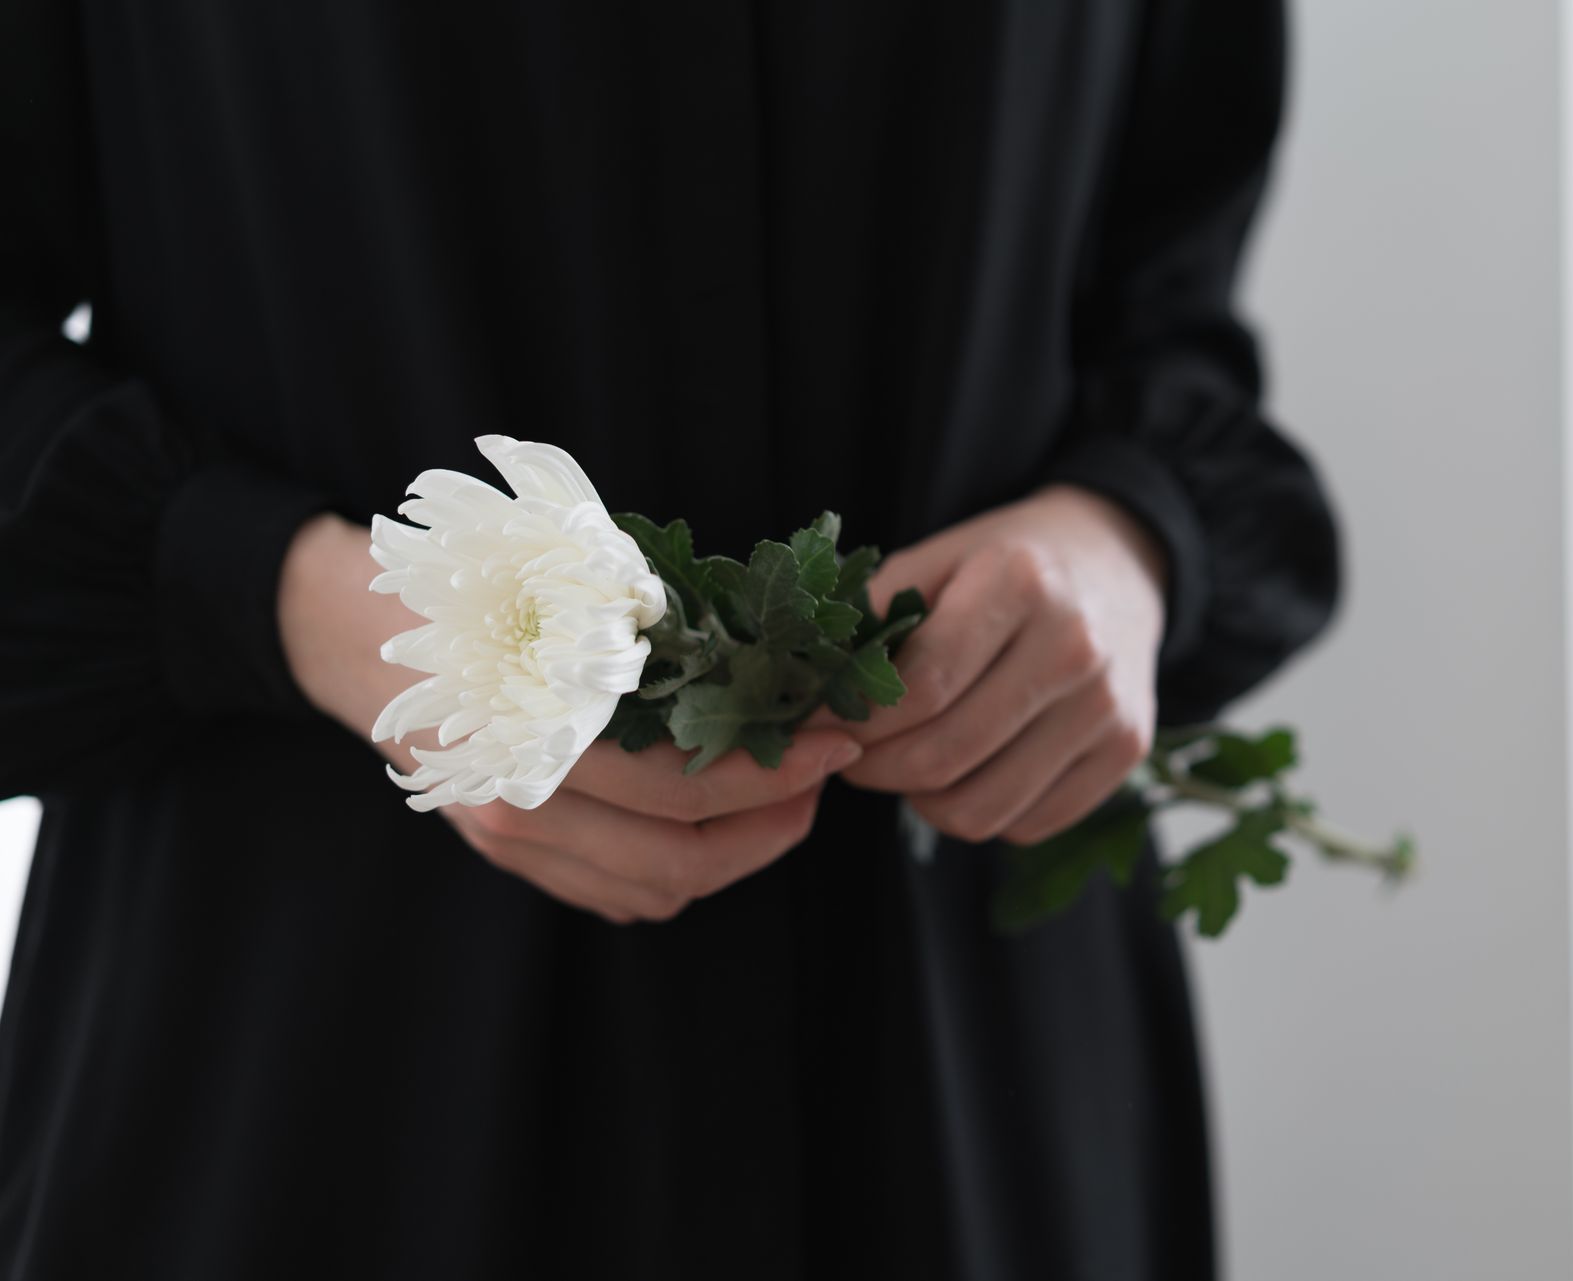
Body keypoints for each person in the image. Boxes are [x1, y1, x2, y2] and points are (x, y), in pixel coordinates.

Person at [0, 2, 1339, 1277]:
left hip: (966, 1058)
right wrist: (306, 602)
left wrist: (1123, 541)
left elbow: (1169, 304)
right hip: (309, 1061)